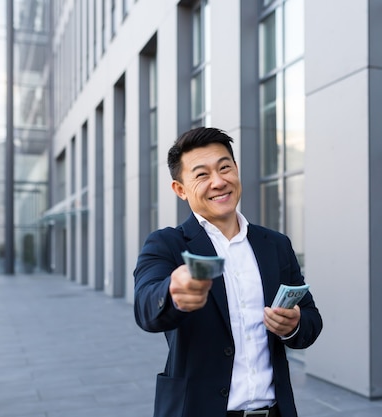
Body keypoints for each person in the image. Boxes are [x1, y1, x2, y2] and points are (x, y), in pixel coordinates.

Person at [134, 127, 323, 417]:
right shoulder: (166, 244)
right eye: (202, 175)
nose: (219, 182)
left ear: (236, 170)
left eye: (225, 168)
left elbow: (310, 319)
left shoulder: (275, 244)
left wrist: (294, 324)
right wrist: (173, 292)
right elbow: (146, 306)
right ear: (180, 189)